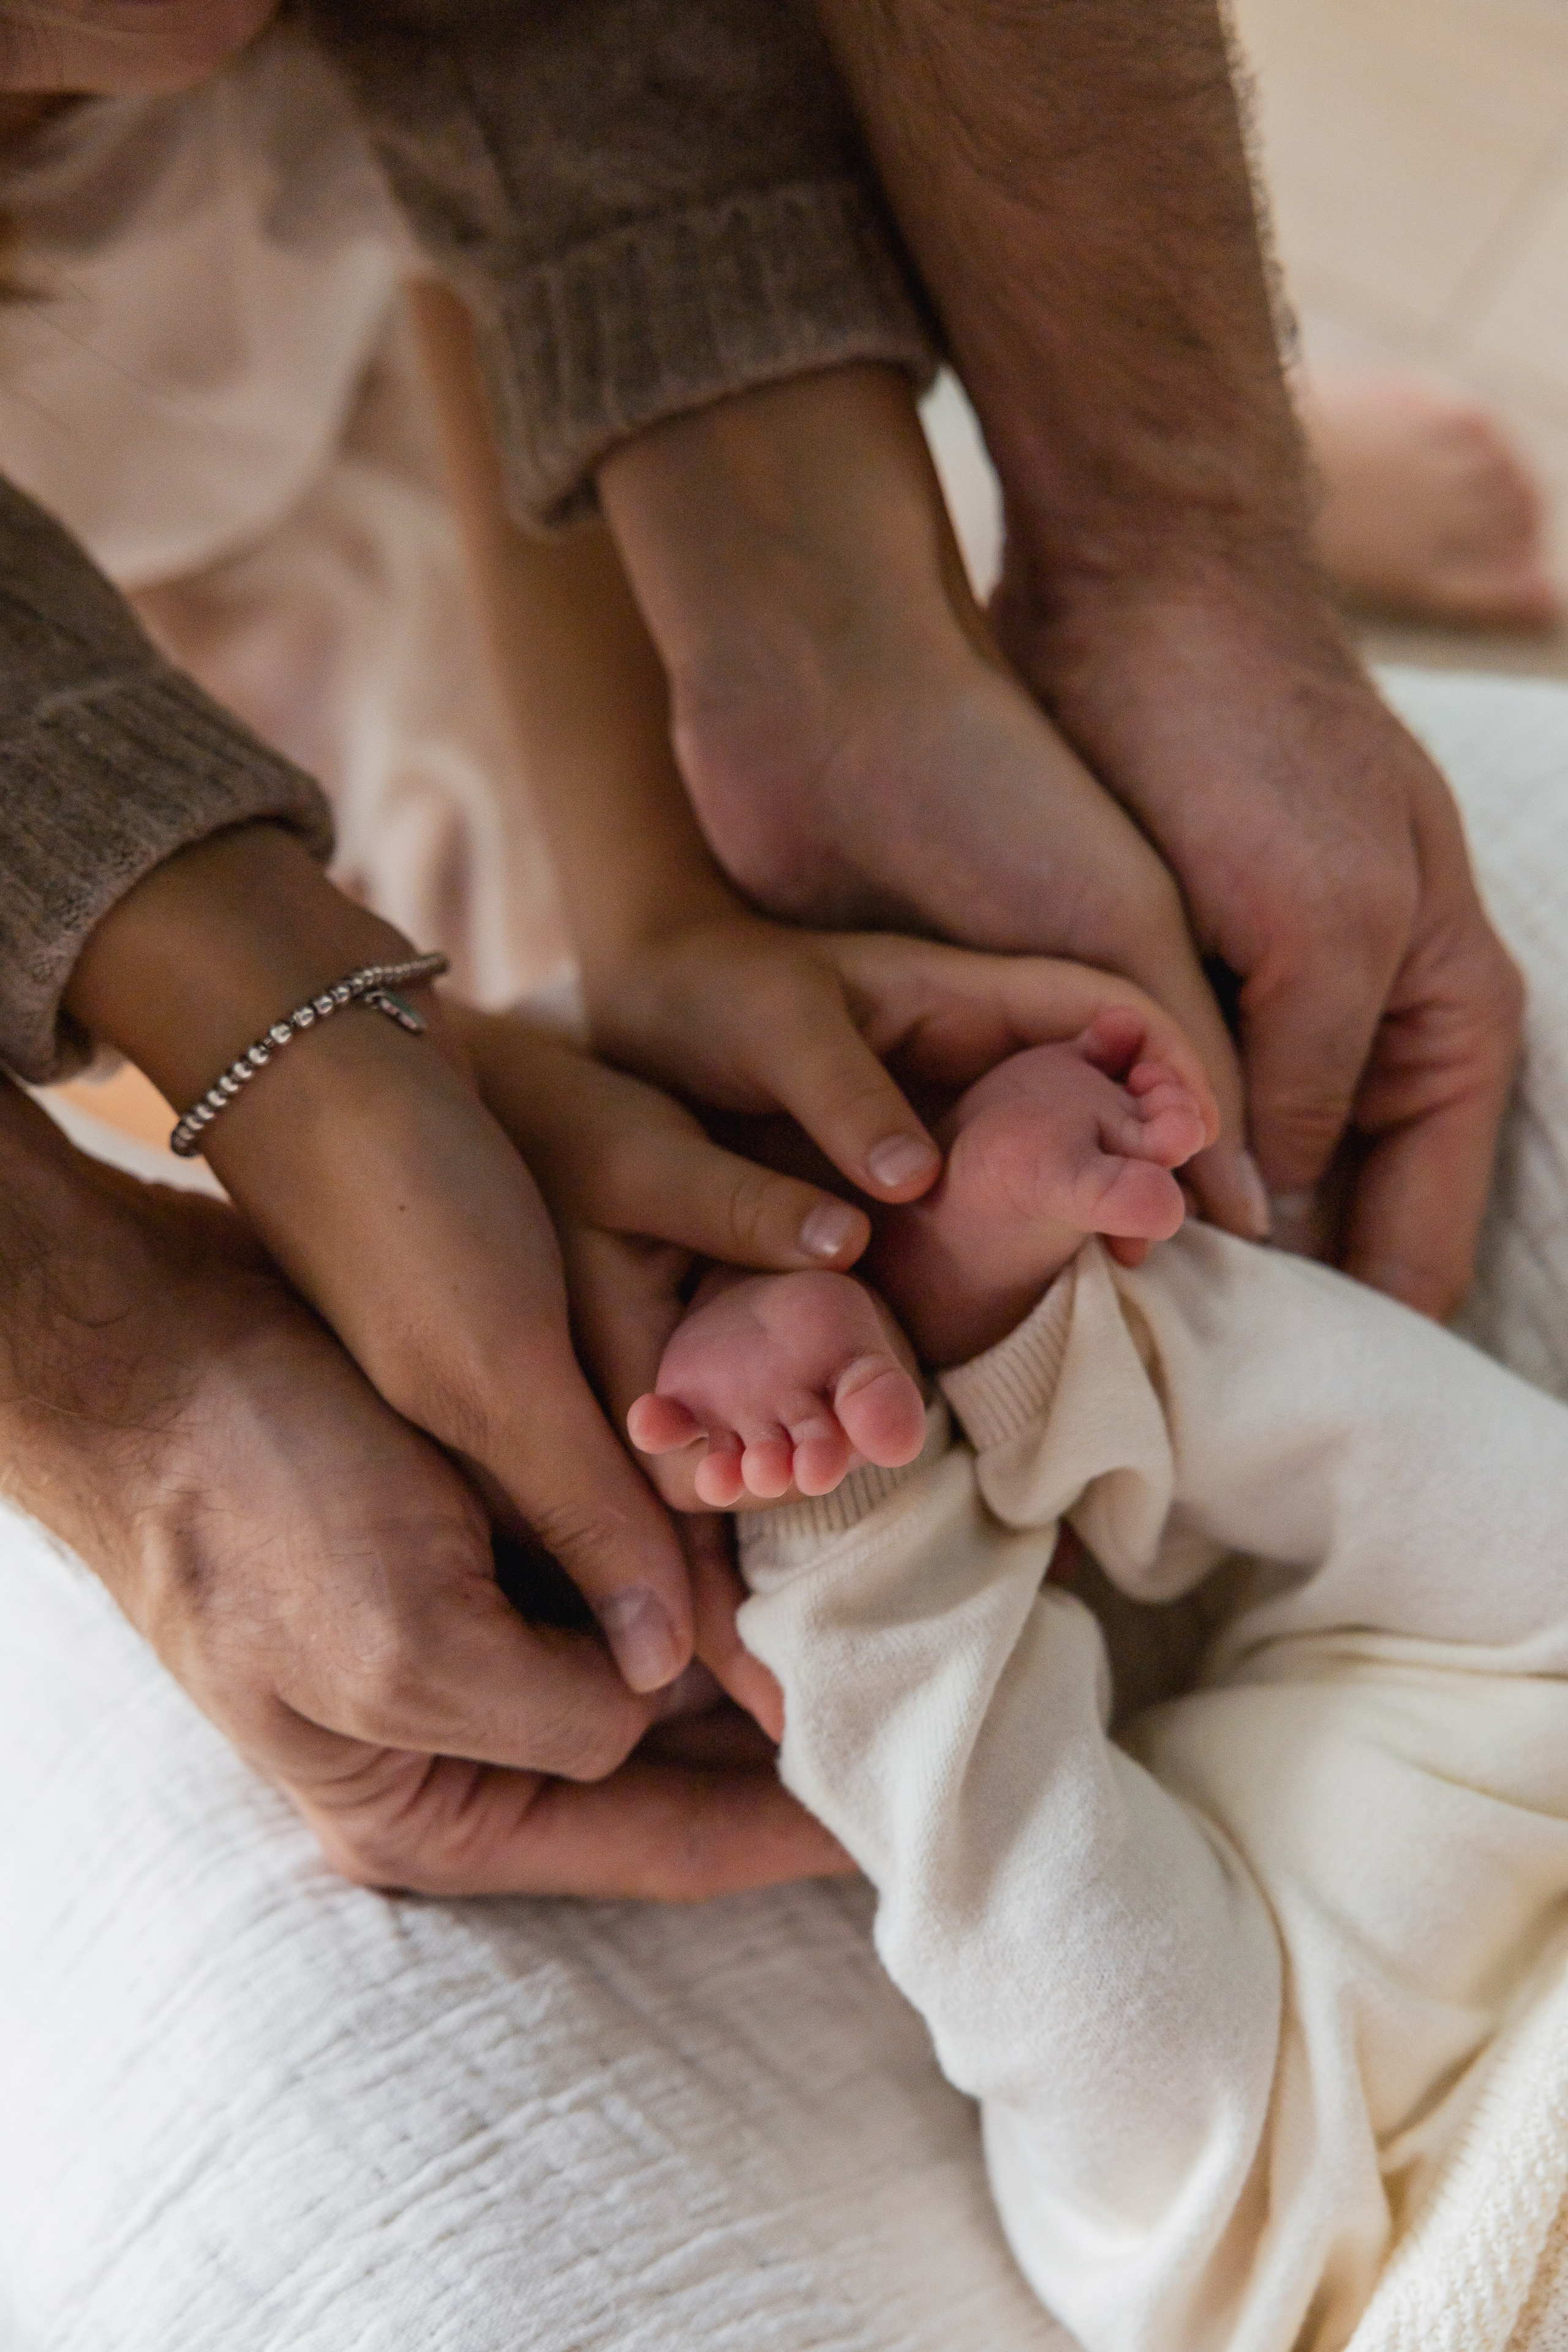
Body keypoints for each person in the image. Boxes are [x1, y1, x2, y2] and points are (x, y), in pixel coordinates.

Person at [627, 1007, 1568, 2352]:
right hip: (1519, 1762)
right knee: (1519, 1523)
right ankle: (1054, 1329)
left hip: (1299, 2221)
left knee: (1098, 1998)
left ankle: (860, 1528)